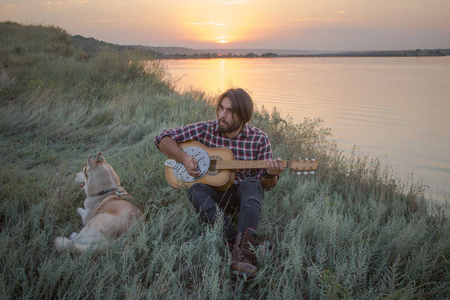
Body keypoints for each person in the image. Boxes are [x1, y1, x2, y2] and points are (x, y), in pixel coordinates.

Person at [154, 88, 284, 277]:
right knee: (196, 189)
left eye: (230, 111)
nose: (222, 115)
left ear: (243, 116)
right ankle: (235, 244)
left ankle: (243, 254)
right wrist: (183, 158)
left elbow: (266, 185)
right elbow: (161, 138)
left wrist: (270, 173)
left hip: (242, 198)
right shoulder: (206, 129)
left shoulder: (259, 139)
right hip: (214, 195)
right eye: (221, 108)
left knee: (252, 183)